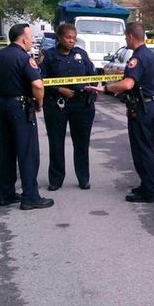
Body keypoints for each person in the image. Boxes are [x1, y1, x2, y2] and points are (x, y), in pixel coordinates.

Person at [0, 24, 54, 211]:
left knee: (7, 150)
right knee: (27, 151)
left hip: (1, 105)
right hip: (20, 107)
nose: (31, 41)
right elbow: (37, 85)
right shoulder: (24, 58)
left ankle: (5, 193)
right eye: (30, 37)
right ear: (23, 39)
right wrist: (39, 103)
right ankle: (30, 196)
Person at [87, 22, 154, 203]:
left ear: (130, 36)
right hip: (152, 106)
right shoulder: (151, 55)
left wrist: (106, 89)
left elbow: (128, 83)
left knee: (142, 150)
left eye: (125, 37)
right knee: (147, 148)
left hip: (142, 110)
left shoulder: (136, 58)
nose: (125, 40)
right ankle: (147, 185)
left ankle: (149, 191)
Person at [40, 23, 96, 191]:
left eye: (74, 37)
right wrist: (59, 89)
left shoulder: (81, 54)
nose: (72, 41)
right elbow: (40, 80)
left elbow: (92, 75)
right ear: (59, 38)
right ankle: (56, 180)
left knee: (82, 143)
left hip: (81, 105)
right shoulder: (49, 56)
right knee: (56, 142)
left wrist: (91, 89)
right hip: (56, 105)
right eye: (68, 37)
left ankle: (83, 178)